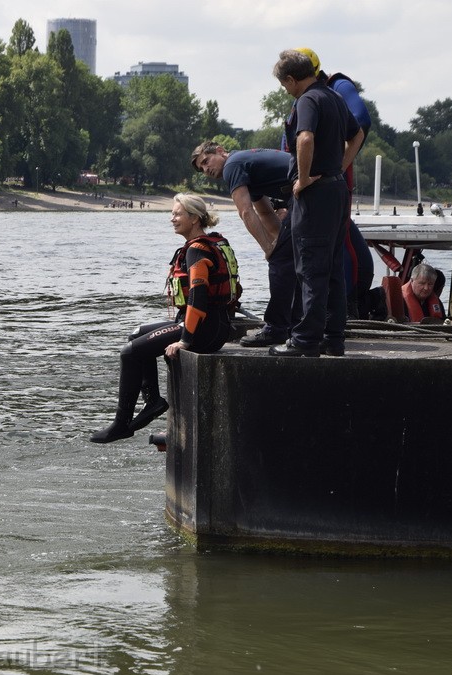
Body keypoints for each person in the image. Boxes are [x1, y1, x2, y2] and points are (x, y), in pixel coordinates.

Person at [91, 194, 240, 443]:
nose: (172, 218)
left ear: (194, 218)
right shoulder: (211, 242)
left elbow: (198, 300)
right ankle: (153, 402)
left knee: (129, 352)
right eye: (172, 213)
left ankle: (121, 423)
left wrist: (184, 340)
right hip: (214, 324)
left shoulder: (197, 250)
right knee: (138, 334)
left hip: (206, 329)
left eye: (177, 214)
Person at [270, 49, 362, 358]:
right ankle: (333, 338)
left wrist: (304, 178)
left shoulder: (307, 100)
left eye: (285, 85)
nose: (286, 90)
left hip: (316, 194)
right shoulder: (334, 96)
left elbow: (305, 138)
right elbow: (357, 133)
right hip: (337, 191)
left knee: (309, 268)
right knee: (333, 266)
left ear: (292, 79)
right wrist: (340, 166)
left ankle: (305, 340)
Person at [191, 141, 297, 347]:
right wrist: (277, 243)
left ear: (221, 151)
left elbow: (246, 212)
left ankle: (276, 329)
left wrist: (271, 250)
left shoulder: (232, 165)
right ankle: (298, 323)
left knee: (280, 263)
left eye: (206, 161)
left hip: (307, 189)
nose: (206, 169)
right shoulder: (245, 163)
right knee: (290, 258)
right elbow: (265, 212)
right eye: (202, 169)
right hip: (316, 189)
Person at [295, 47, 374, 319]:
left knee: (334, 246)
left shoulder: (336, 87)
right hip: (312, 184)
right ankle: (330, 316)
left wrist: (339, 163)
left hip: (326, 181)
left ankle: (341, 309)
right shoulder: (310, 97)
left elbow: (361, 121)